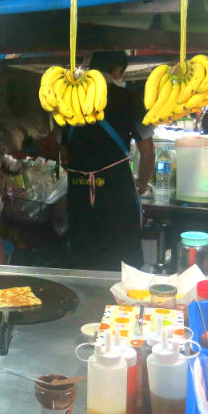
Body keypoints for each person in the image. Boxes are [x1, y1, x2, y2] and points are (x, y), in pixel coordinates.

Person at [60, 50, 155, 271]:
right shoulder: (129, 100)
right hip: (117, 192)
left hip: (79, 192)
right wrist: (141, 182)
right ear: (118, 71)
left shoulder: (70, 98)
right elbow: (148, 152)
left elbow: (63, 152)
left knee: (84, 257)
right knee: (122, 259)